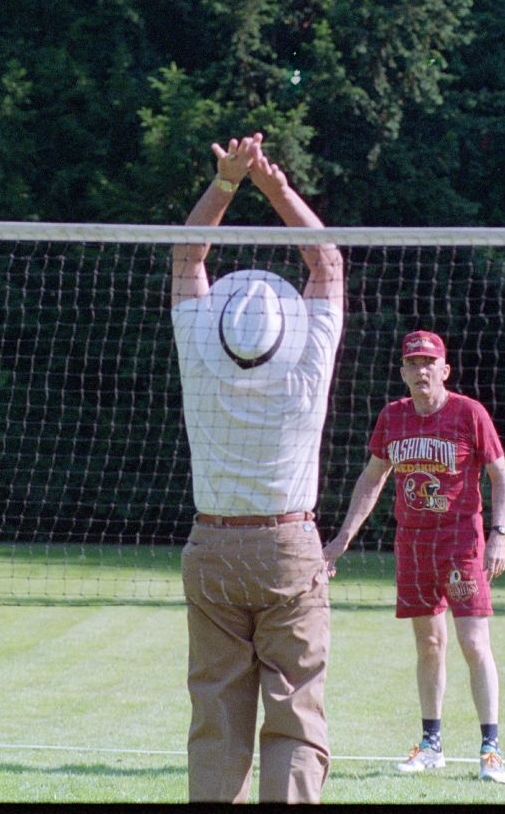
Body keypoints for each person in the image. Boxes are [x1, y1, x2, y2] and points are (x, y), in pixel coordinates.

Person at [171, 131, 345, 804]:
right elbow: (326, 264)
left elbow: (186, 256)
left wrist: (226, 183)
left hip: (212, 545)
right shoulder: (305, 367)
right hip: (285, 547)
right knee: (296, 718)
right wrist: (271, 183)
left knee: (216, 720)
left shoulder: (197, 356)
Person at [324, 329, 505, 785]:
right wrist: (342, 539)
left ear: (445, 369)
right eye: (413, 362)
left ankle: (491, 749)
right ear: (403, 371)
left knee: (473, 643)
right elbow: (372, 479)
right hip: (412, 545)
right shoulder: (393, 418)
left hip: (460, 545)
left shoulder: (469, 413)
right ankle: (432, 745)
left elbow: (500, 476)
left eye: (429, 362)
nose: (421, 369)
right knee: (429, 645)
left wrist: (498, 535)